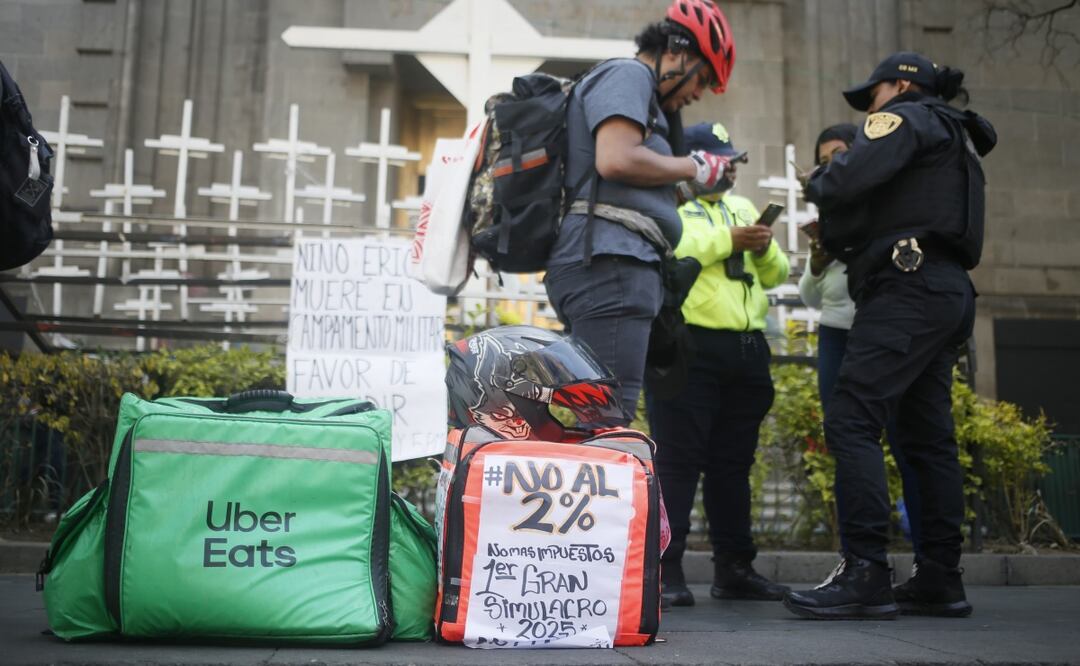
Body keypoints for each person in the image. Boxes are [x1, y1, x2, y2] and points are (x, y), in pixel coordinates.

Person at [784, 52, 996, 620]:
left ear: (901, 85)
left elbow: (850, 177)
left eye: (873, 95)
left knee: (852, 417)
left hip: (907, 286)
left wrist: (822, 183)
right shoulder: (957, 134)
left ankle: (866, 572)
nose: (869, 110)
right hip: (946, 289)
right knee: (926, 437)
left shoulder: (905, 117)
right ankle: (939, 578)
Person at [544, 0, 736, 423]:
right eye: (702, 76)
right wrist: (696, 166)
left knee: (599, 412)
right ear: (676, 51)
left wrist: (687, 184)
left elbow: (626, 180)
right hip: (612, 263)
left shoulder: (645, 99)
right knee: (608, 419)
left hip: (614, 262)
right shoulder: (629, 74)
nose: (699, 93)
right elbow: (615, 159)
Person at [649, 122, 790, 607]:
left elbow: (776, 273)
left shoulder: (744, 207)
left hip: (746, 351)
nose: (729, 168)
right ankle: (665, 572)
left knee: (733, 465)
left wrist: (762, 242)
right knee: (678, 464)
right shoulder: (667, 205)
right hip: (689, 348)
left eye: (733, 160)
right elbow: (676, 251)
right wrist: (729, 240)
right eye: (719, 158)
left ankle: (736, 568)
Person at [800, 123, 925, 558]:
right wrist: (820, 257)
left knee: (905, 435)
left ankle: (916, 549)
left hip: (881, 328)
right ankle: (859, 557)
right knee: (846, 435)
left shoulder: (879, 197)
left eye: (838, 154)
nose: (830, 164)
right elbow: (809, 296)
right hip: (837, 333)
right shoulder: (831, 212)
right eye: (822, 159)